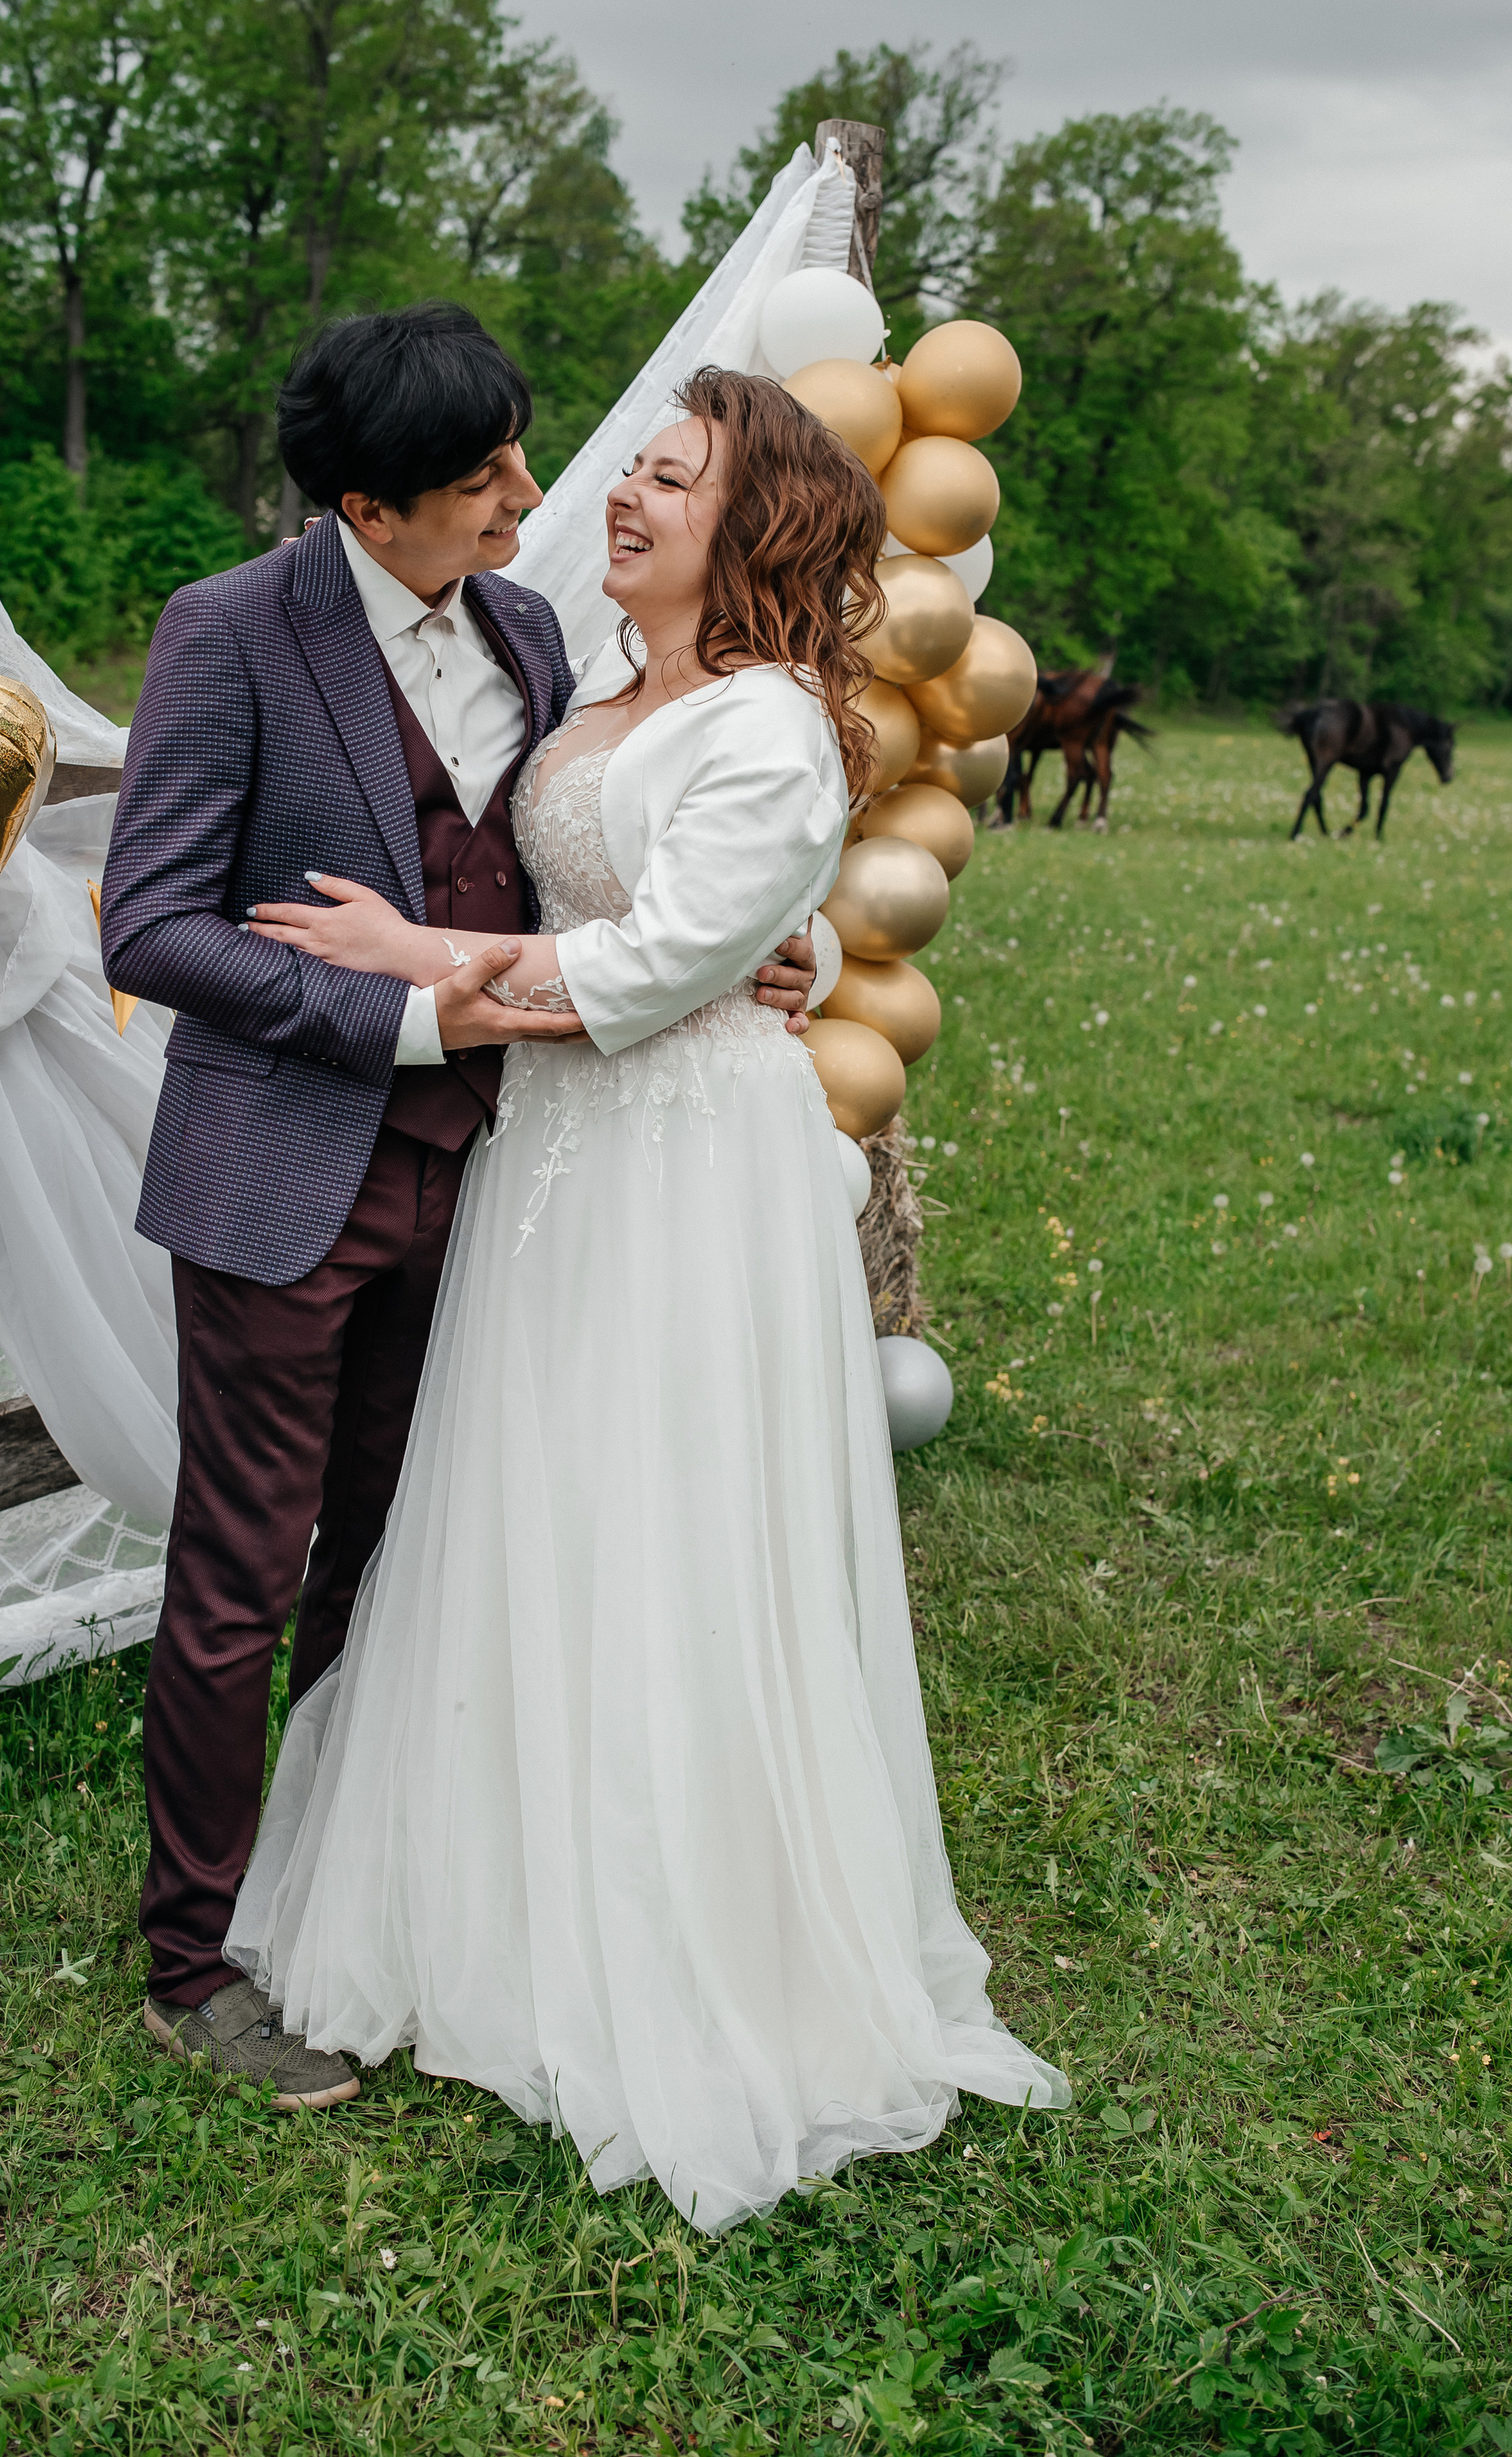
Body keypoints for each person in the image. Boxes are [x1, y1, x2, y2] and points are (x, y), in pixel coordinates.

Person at [226, 366, 1070, 2229]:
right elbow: (705, 912)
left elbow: (669, 958)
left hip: (689, 1169)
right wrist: (809, 935)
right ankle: (505, 1892)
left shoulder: (774, 722)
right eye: (637, 474)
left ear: (752, 521)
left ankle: (693, 1933)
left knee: (675, 1513)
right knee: (540, 1498)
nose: (624, 498)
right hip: (556, 1159)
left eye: (670, 481)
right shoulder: (595, 692)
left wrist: (413, 959)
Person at [96, 306, 817, 2110]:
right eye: (483, 473)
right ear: (366, 502)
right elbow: (152, 924)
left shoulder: (526, 626)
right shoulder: (229, 631)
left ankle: (354, 1896)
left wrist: (749, 955)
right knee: (238, 1581)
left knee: (399, 1558)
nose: (530, 491)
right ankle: (190, 1959)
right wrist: (407, 1011)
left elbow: (607, 858)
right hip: (285, 1171)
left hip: (498, 1182)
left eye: (519, 450)